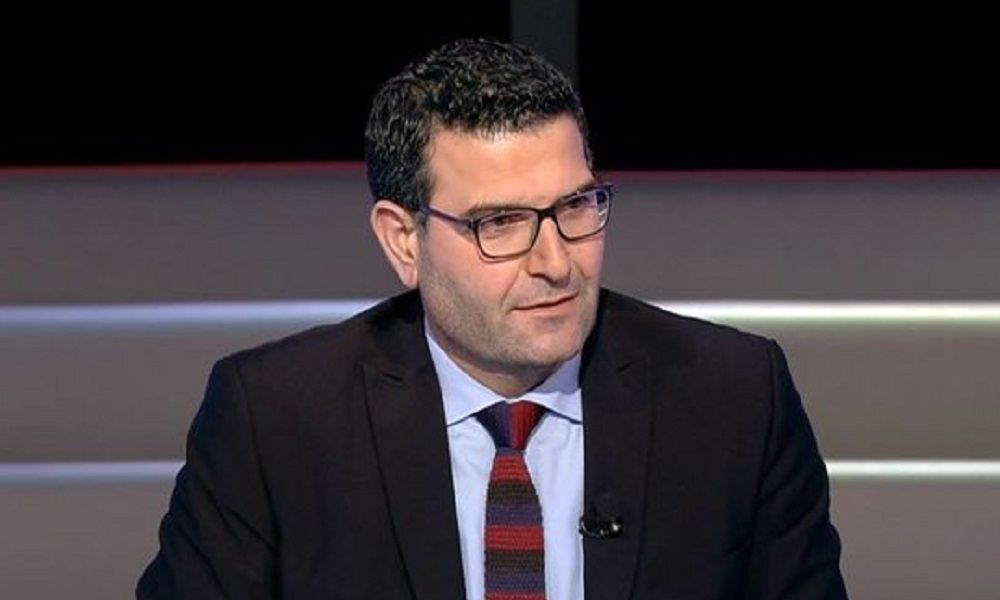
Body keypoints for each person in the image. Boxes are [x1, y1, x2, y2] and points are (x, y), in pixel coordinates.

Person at [138, 39, 847, 599]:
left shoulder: (735, 399)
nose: (556, 262)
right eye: (500, 223)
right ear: (403, 241)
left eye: (576, 207)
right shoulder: (274, 422)